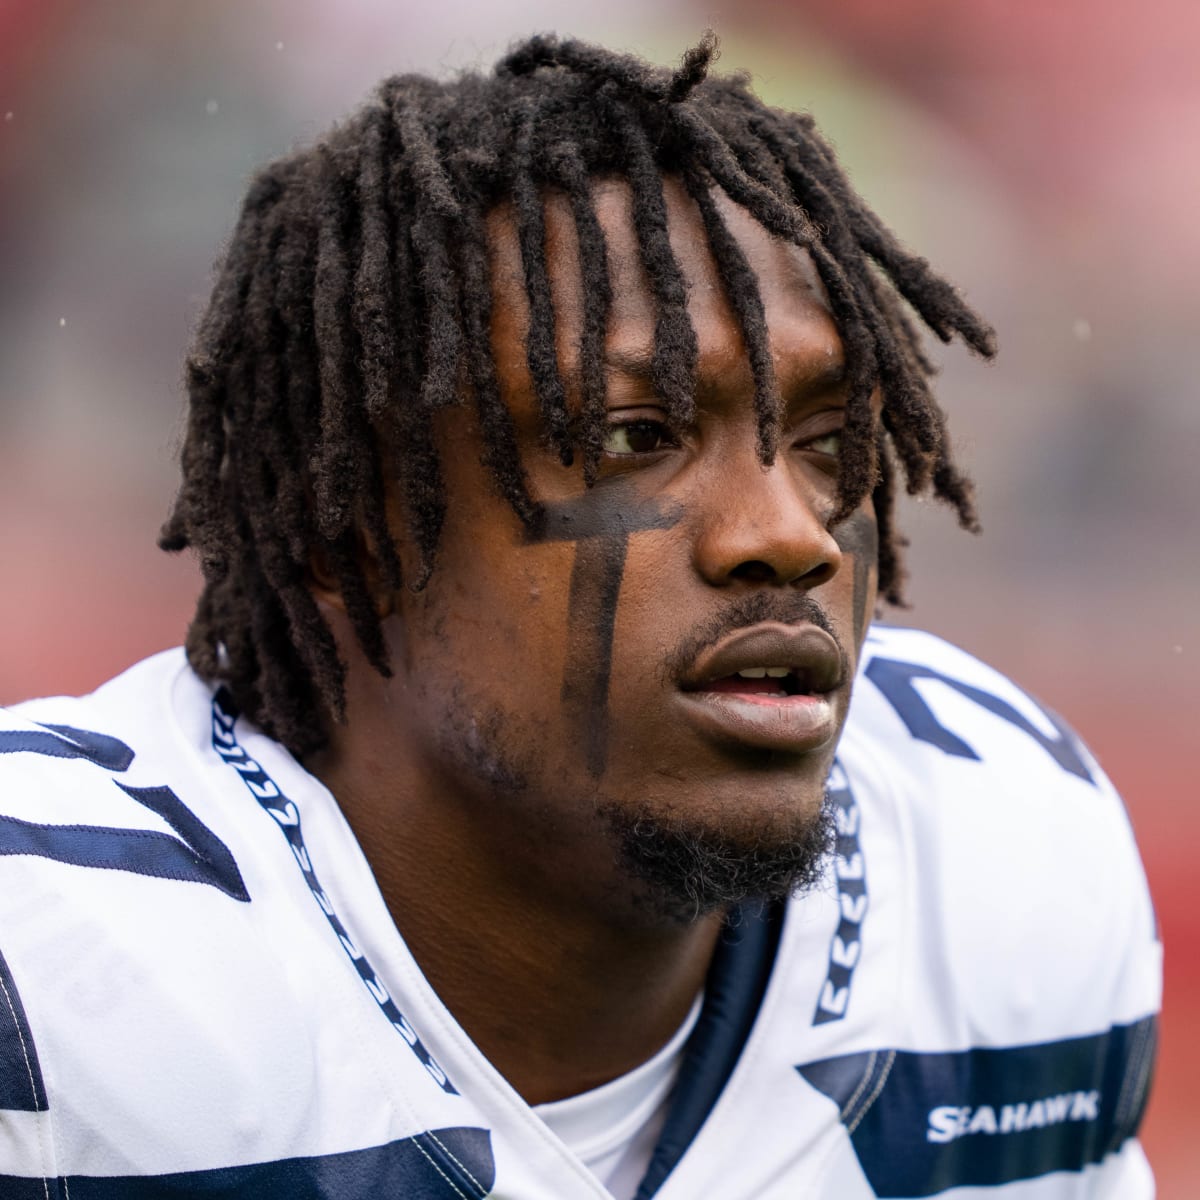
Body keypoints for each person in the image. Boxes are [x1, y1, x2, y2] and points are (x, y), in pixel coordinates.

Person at [0, 34, 1159, 1199]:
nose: (791, 534)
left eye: (827, 445)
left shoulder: (1002, 864)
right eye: (634, 438)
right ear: (349, 535)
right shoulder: (52, 962)